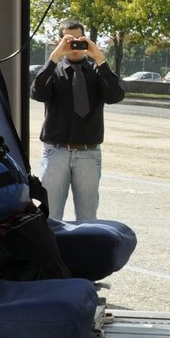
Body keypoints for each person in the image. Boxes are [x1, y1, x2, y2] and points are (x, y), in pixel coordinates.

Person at [30, 19, 124, 220]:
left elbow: (115, 96)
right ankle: (54, 252)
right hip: (55, 152)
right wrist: (56, 56)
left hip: (88, 154)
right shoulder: (53, 71)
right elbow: (37, 93)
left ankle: (84, 252)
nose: (75, 46)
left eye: (79, 40)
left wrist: (99, 57)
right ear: (60, 41)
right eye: (69, 40)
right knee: (50, 215)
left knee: (87, 217)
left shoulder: (98, 72)